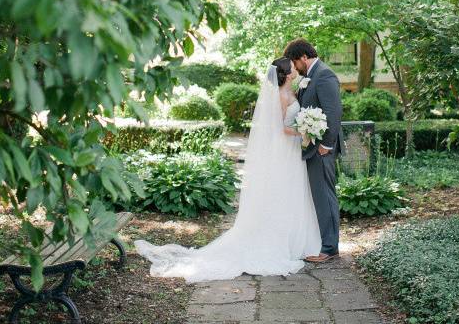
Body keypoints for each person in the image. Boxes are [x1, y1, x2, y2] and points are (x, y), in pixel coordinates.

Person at [134, 57, 321, 282]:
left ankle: (294, 241)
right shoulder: (281, 96)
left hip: (291, 152)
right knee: (280, 193)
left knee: (292, 193)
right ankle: (276, 241)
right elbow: (280, 128)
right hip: (284, 150)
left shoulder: (293, 91)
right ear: (286, 73)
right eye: (291, 67)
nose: (294, 68)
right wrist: (302, 130)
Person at [284, 38, 344, 263]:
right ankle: (325, 243)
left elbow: (333, 112)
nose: (294, 68)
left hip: (321, 149)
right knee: (318, 196)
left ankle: (329, 249)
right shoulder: (309, 77)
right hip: (311, 147)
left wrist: (326, 145)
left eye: (294, 63)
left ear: (303, 58)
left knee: (325, 195)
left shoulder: (324, 75)